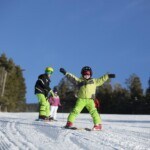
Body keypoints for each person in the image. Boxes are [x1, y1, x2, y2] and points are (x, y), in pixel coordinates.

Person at [60, 66, 115, 130]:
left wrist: (108, 76)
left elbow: (101, 79)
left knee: (94, 112)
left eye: (88, 74)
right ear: (82, 74)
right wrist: (65, 73)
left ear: (90, 74)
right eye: (85, 74)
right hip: (81, 99)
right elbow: (72, 78)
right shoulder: (79, 81)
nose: (86, 75)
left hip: (90, 100)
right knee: (75, 110)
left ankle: (98, 125)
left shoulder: (94, 81)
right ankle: (69, 123)